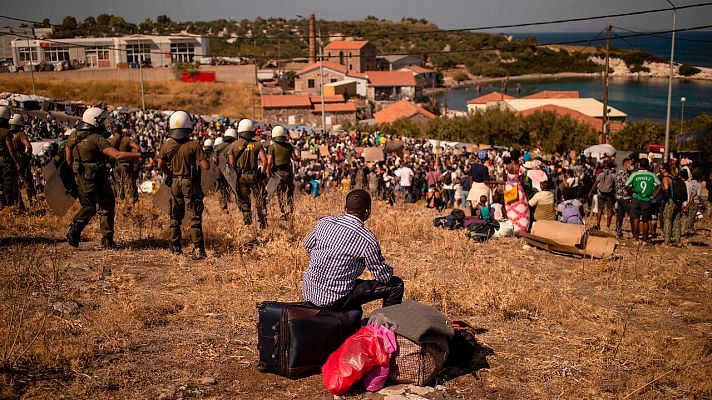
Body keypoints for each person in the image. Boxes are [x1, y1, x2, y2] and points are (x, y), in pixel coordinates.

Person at [302, 189, 404, 311]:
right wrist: (389, 271)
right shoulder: (366, 238)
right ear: (368, 211)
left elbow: (308, 246)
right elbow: (383, 277)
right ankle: (385, 328)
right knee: (396, 284)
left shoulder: (324, 222)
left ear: (345, 207)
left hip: (309, 291)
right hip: (336, 298)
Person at [66, 107, 142, 248]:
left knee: (88, 205)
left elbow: (68, 160)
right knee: (106, 205)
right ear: (94, 121)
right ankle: (106, 239)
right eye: (101, 121)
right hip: (97, 177)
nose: (103, 124)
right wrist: (138, 155)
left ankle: (74, 230)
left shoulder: (73, 136)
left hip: (81, 177)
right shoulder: (97, 139)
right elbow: (117, 155)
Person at [156, 110, 210, 259]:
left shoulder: (168, 145)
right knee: (194, 216)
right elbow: (206, 166)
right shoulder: (194, 144)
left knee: (175, 214)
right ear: (188, 126)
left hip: (174, 182)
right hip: (189, 182)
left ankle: (175, 246)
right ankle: (198, 248)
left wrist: (170, 173)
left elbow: (160, 163)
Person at [227, 119, 268, 228]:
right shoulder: (257, 144)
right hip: (254, 175)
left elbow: (231, 165)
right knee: (259, 199)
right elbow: (265, 161)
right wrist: (263, 173)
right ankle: (263, 222)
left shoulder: (232, 146)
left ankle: (248, 223)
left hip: (241, 177)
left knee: (245, 201)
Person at [267, 125, 299, 219]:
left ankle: (283, 211)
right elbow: (294, 158)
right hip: (288, 172)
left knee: (280, 193)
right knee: (290, 191)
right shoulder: (288, 145)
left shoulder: (272, 147)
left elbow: (269, 162)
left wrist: (268, 172)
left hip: (278, 173)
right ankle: (291, 209)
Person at [626, 158, 660, 244]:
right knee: (646, 220)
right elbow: (659, 185)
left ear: (639, 165)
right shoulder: (652, 175)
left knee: (636, 219)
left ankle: (637, 239)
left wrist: (631, 192)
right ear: (648, 165)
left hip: (636, 198)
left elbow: (626, 185)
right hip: (647, 200)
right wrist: (654, 196)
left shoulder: (634, 174)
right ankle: (645, 240)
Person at [110, 125, 141, 206]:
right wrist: (134, 156)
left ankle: (121, 203)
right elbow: (138, 148)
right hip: (126, 166)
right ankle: (132, 204)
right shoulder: (126, 139)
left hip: (115, 166)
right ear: (121, 131)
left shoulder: (110, 141)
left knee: (119, 186)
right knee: (130, 186)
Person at [9, 113, 35, 207]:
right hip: (21, 159)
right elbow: (29, 146)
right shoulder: (20, 134)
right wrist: (28, 156)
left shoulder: (8, 134)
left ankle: (18, 203)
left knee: (15, 182)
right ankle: (31, 200)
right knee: (27, 180)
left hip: (11, 159)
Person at [0, 106, 21, 208]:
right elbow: (11, 149)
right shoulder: (6, 132)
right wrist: (17, 162)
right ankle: (8, 206)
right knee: (8, 185)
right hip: (5, 162)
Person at [589, 161, 616, 231]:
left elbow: (595, 183)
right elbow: (615, 185)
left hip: (601, 194)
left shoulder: (601, 174)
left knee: (600, 210)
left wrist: (591, 192)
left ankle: (598, 225)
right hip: (610, 195)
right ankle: (608, 226)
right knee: (609, 210)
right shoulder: (613, 175)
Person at [614, 158, 634, 238]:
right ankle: (634, 233)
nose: (632, 166)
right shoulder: (624, 173)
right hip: (625, 197)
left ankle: (619, 231)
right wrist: (633, 192)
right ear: (626, 164)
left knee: (620, 215)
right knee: (632, 215)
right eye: (631, 164)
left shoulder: (622, 172)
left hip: (619, 197)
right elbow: (627, 186)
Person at [682, 170, 702, 236]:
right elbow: (698, 194)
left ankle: (684, 229)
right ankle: (687, 229)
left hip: (686, 200)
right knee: (691, 216)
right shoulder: (698, 184)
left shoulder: (690, 182)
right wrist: (699, 202)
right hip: (694, 201)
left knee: (686, 215)